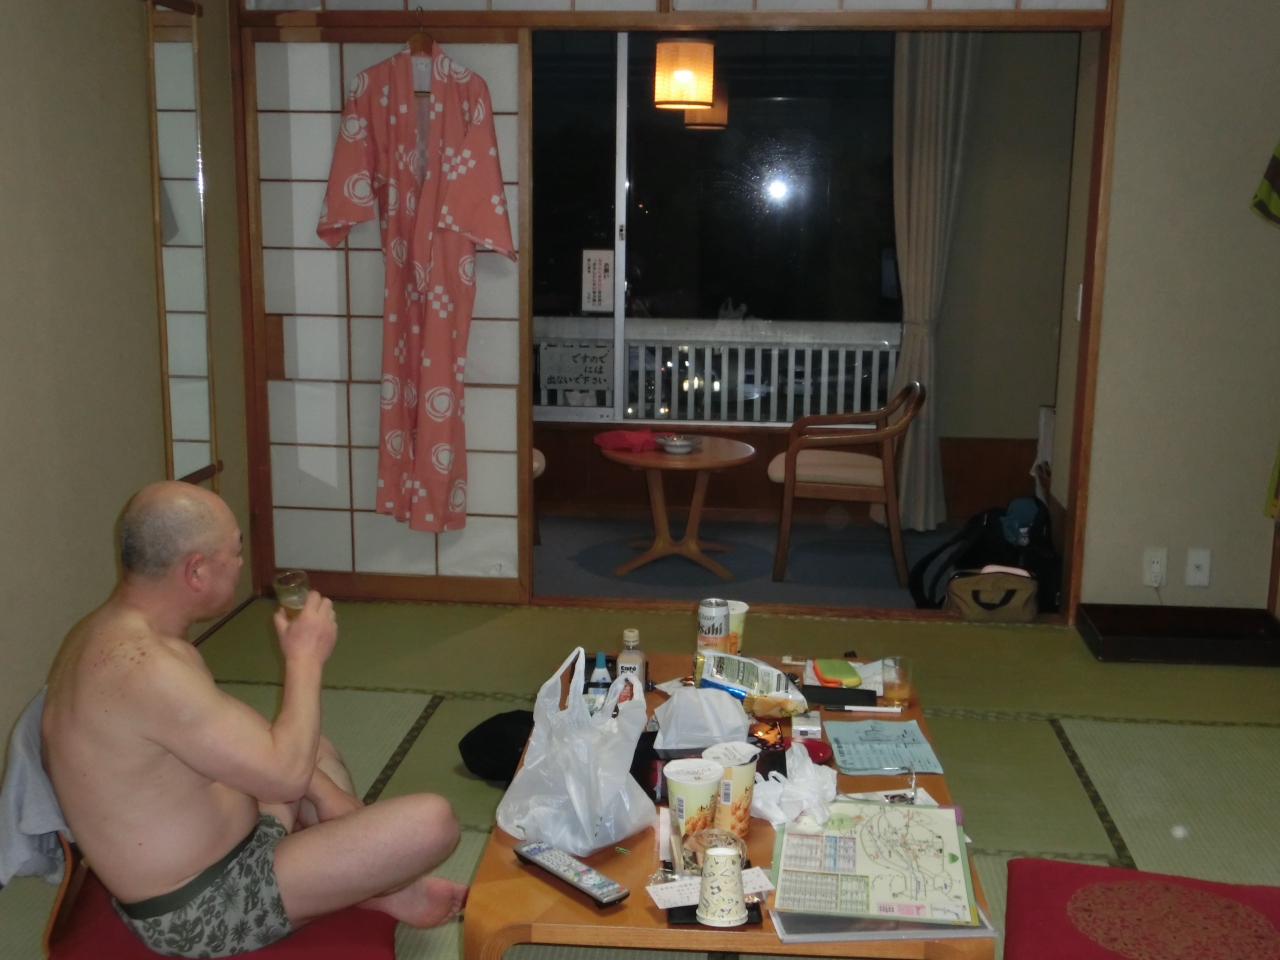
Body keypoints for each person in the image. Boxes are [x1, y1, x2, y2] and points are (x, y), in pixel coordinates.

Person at [42, 481, 467, 958]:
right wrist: (304, 659)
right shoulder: (146, 668)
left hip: (227, 844)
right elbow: (284, 778)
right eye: (235, 552)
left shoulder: (112, 632)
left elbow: (231, 727)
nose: (242, 564)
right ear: (196, 571)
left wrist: (327, 797)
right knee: (433, 822)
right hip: (200, 905)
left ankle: (360, 882)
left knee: (314, 751)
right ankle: (371, 889)